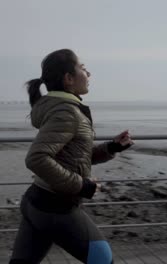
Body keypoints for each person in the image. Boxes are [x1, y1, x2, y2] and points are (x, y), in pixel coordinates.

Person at [9, 49, 133, 264]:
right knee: (103, 260)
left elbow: (75, 156)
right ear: (68, 79)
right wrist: (81, 186)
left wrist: (111, 148)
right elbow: (37, 158)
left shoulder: (63, 109)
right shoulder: (66, 112)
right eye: (83, 69)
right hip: (55, 207)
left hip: (38, 202)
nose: (89, 74)